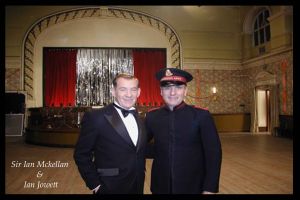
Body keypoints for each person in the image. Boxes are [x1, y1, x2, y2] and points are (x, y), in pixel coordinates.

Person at [145, 68, 222, 194]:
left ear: (185, 91)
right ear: (161, 91)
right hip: (161, 186)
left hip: (193, 185)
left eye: (178, 87)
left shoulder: (201, 116)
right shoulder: (153, 116)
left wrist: (210, 187)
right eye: (167, 88)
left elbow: (213, 154)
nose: (172, 92)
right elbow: (140, 146)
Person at [74, 73, 147, 194]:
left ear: (138, 92)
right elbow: (81, 154)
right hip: (108, 186)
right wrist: (95, 185)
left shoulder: (140, 118)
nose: (129, 95)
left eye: (133, 89)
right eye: (123, 89)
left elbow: (138, 149)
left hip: (137, 183)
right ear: (113, 91)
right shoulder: (96, 117)